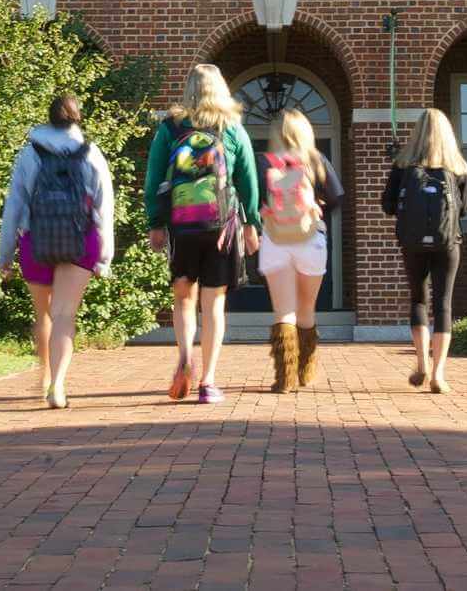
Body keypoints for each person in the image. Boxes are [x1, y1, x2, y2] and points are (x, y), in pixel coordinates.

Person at [143, 63, 261, 403]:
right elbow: (248, 181)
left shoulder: (170, 128)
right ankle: (208, 381)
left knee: (183, 299)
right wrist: (252, 224)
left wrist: (156, 223)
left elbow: (153, 182)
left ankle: (184, 358)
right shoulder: (232, 128)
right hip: (220, 227)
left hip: (182, 227)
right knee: (214, 304)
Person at [0, 92, 115, 409]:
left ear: (48, 119)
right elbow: (104, 209)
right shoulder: (91, 153)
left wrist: (5, 254)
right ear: (78, 118)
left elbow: (15, 206)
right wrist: (105, 257)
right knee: (65, 314)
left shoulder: (29, 154)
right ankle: (59, 386)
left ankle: (44, 379)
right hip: (81, 239)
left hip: (36, 238)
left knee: (43, 314)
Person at [381, 108, 467, 394]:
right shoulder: (458, 168)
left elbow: (388, 205)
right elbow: (466, 209)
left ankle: (422, 364)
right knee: (443, 303)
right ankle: (439, 374)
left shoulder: (403, 165)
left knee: (419, 300)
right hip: (448, 243)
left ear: (417, 133)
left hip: (413, 243)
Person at [256, 107, 345, 392]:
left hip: (274, 239)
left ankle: (284, 378)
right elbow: (337, 197)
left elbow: (253, 201)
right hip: (310, 238)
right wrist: (317, 207)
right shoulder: (316, 160)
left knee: (284, 311)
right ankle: (306, 371)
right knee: (307, 309)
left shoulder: (264, 163)